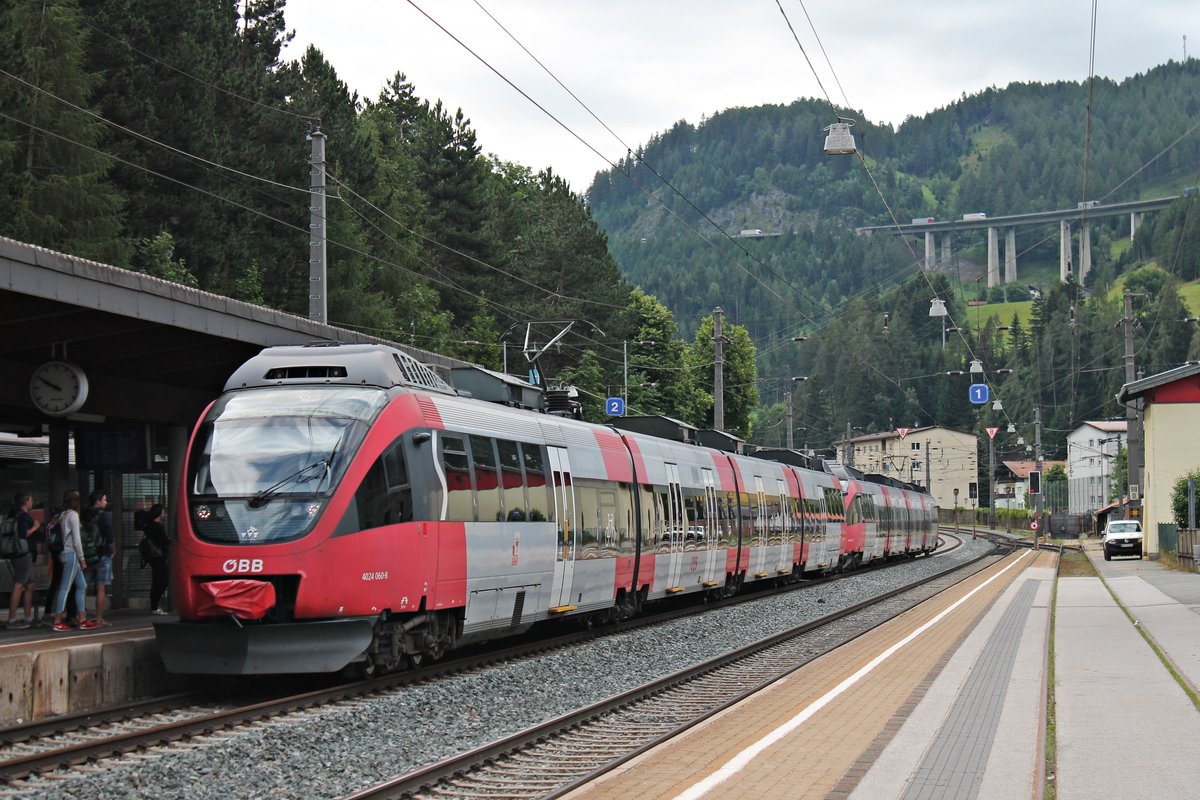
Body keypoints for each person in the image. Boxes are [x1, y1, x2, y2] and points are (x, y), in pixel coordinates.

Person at [51, 489, 98, 632]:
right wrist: (82, 559)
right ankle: (58, 620)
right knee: (65, 588)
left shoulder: (63, 515)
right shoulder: (73, 515)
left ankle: (82, 618)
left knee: (82, 585)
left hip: (66, 554)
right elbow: (77, 541)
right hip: (72, 554)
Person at [6, 492, 39, 629]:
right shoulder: (24, 517)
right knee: (19, 585)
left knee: (30, 585)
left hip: (18, 554)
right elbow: (24, 533)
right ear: (26, 502)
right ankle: (12, 620)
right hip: (23, 555)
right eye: (31, 500)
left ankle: (28, 617)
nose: (32, 503)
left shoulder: (12, 515)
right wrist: (35, 527)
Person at [82, 490, 114, 627]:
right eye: (104, 500)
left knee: (82, 587)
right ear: (98, 501)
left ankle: (81, 616)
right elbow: (109, 533)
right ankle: (99, 619)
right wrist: (113, 550)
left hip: (87, 554)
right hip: (102, 554)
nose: (106, 502)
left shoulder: (83, 514)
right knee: (101, 587)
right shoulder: (103, 515)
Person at [142, 503, 170, 615]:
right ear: (159, 513)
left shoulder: (149, 526)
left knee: (156, 581)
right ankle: (155, 606)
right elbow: (164, 541)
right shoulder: (158, 527)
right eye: (163, 512)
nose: (164, 514)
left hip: (153, 557)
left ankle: (154, 606)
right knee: (162, 581)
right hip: (160, 557)